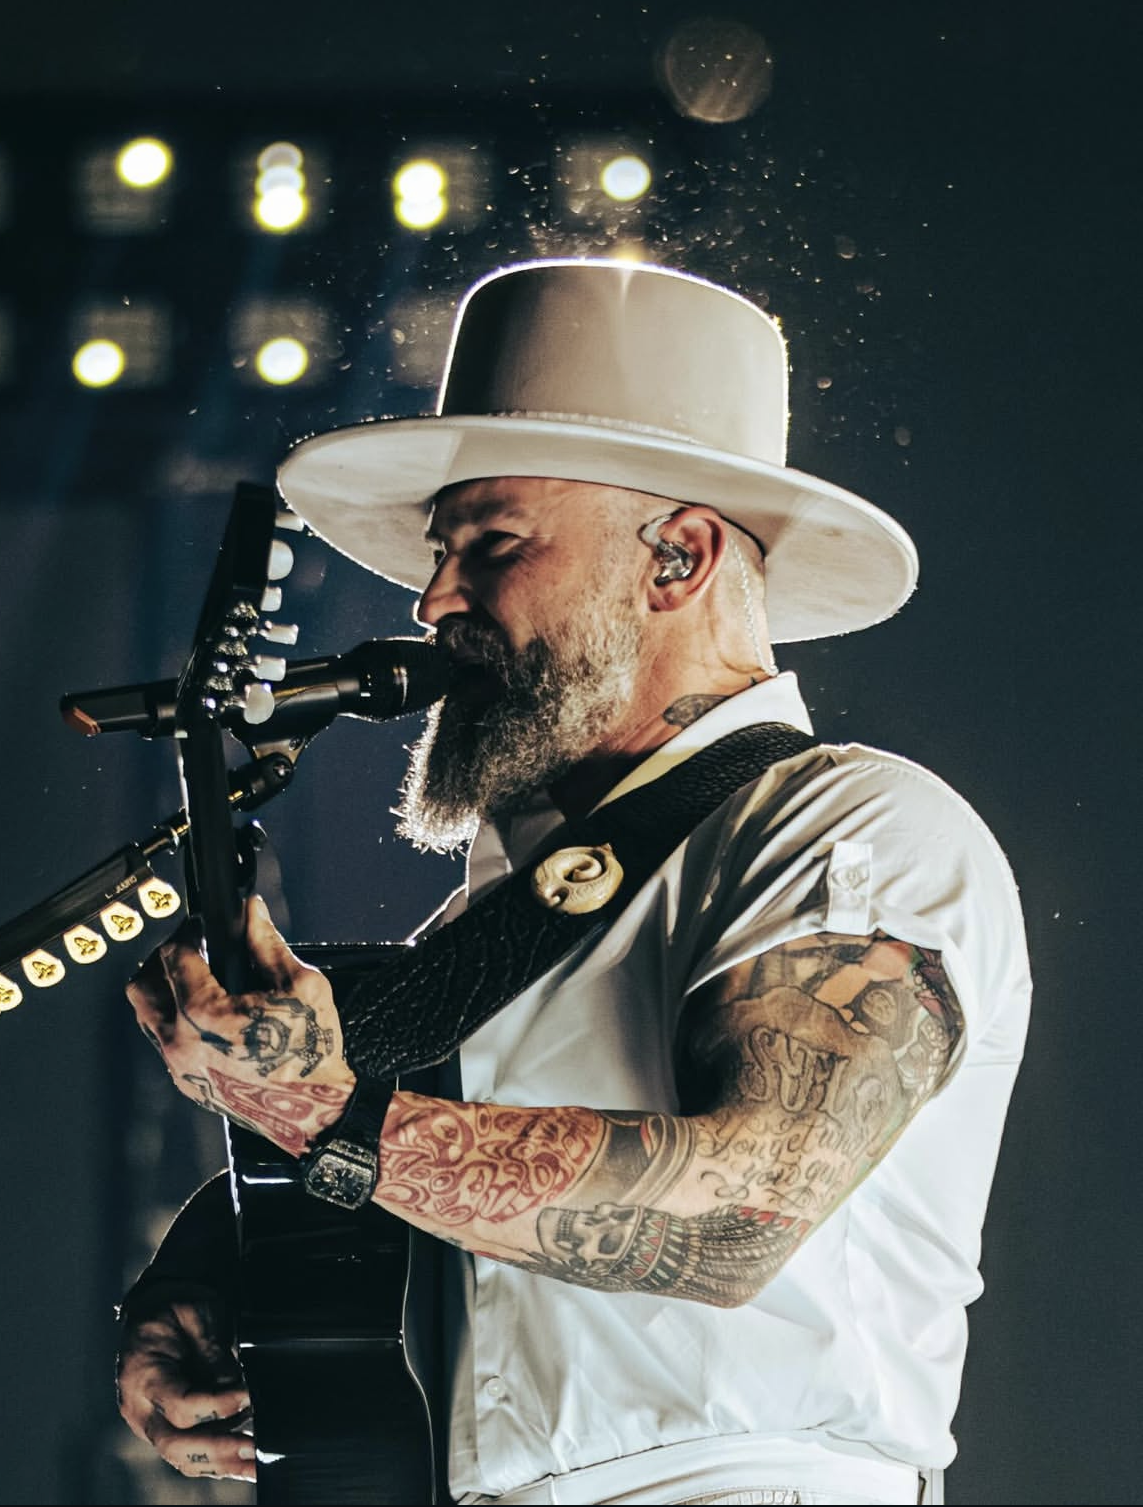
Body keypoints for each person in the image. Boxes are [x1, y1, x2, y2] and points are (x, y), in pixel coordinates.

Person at [117, 260, 1030, 1506]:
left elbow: (740, 1215)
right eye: (441, 554)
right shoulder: (494, 923)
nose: (434, 599)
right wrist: (198, 1275)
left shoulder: (851, 828)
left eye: (492, 544)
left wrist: (322, 1117)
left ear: (679, 558)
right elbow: (416, 1172)